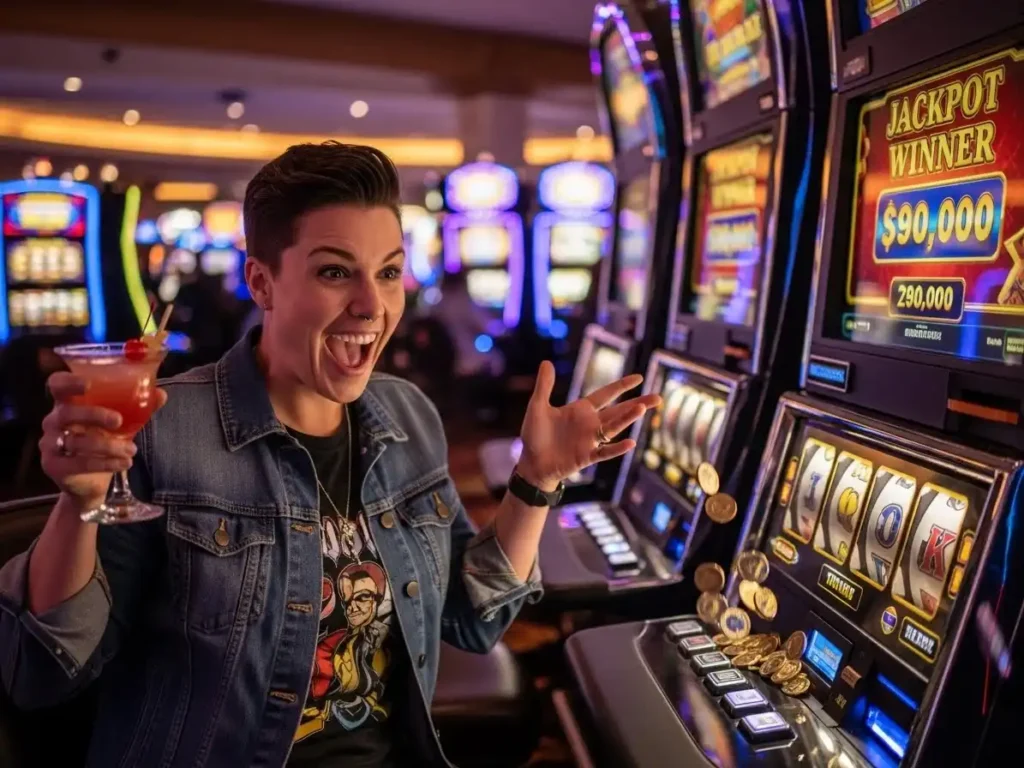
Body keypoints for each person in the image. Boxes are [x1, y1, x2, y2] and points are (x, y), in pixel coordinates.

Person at [0, 142, 659, 767]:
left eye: (390, 272)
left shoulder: (407, 415)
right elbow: (41, 670)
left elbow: (471, 615)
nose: (373, 305)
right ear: (262, 282)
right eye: (336, 271)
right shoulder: (164, 430)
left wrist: (536, 481)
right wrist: (79, 504)